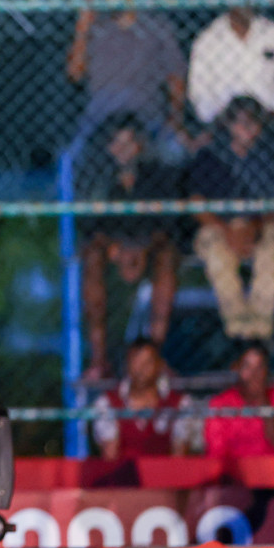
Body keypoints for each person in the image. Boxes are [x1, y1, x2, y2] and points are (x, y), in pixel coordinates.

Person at [76, 114, 180, 378]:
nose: (122, 150)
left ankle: (154, 354)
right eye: (116, 143)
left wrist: (143, 248)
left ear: (140, 146)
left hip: (147, 247)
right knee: (92, 259)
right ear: (107, 147)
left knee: (168, 257)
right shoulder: (96, 176)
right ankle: (99, 359)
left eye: (129, 143)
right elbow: (88, 225)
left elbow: (168, 224)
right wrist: (113, 248)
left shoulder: (157, 173)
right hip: (112, 248)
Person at [189, 96, 274, 342]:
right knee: (217, 257)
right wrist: (228, 231)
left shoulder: (267, 157)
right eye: (241, 123)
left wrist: (255, 228)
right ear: (230, 126)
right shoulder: (211, 155)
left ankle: (259, 333)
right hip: (219, 225)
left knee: (271, 255)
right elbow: (197, 204)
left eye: (254, 124)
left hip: (259, 224)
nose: (248, 130)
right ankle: (239, 332)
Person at [66, 0, 186, 153]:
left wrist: (175, 120)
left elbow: (176, 76)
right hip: (102, 117)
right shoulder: (96, 30)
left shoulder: (157, 27)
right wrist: (83, 26)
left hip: (145, 114)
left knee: (175, 150)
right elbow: (74, 74)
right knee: (70, 156)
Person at [187, 0, 274, 126]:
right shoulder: (207, 40)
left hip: (269, 123)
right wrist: (227, 121)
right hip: (224, 125)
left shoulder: (273, 33)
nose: (249, 3)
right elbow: (199, 95)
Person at [90, 339, 199, 460]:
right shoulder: (106, 403)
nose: (141, 369)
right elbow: (110, 456)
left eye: (148, 362)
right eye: (136, 362)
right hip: (123, 477)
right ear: (127, 365)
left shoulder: (180, 403)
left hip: (166, 476)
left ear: (159, 365)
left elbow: (180, 456)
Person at [205, 342, 274, 461]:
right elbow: (216, 453)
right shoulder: (220, 404)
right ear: (236, 369)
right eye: (247, 367)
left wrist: (262, 400)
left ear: (267, 371)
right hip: (234, 474)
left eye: (259, 367)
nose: (254, 375)